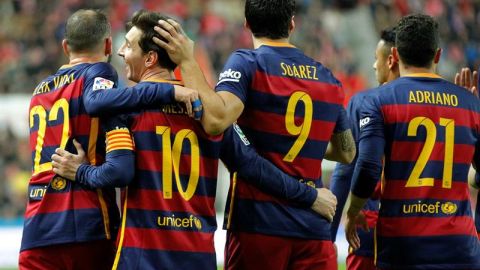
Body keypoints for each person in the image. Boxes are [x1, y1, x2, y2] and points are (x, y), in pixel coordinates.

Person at [51, 10, 337, 269]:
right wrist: (309, 196)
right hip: (198, 256)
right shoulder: (205, 110)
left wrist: (79, 171)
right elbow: (253, 167)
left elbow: (116, 170)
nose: (121, 53)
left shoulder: (124, 109)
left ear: (150, 59)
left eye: (128, 45)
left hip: (143, 255)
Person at [153, 0, 355, 268]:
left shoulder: (248, 63)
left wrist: (188, 61)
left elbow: (216, 120)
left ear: (246, 23)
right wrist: (304, 146)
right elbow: (347, 151)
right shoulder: (327, 77)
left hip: (258, 224)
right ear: (292, 24)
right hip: (313, 228)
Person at [19, 9, 204, 270]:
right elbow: (99, 107)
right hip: (86, 223)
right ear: (107, 44)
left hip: (37, 227)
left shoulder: (39, 92)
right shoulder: (99, 74)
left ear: (65, 46)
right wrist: (169, 90)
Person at [345, 14, 480, 269]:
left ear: (394, 55)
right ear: (438, 55)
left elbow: (369, 167)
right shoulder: (470, 104)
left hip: (403, 246)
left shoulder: (378, 101)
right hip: (459, 246)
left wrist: (353, 211)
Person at [330, 26, 398, 270]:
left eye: (376, 58)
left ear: (392, 60)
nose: (373, 65)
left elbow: (345, 170)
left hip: (370, 224)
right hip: (425, 227)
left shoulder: (363, 102)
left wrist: (327, 237)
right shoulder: (440, 107)